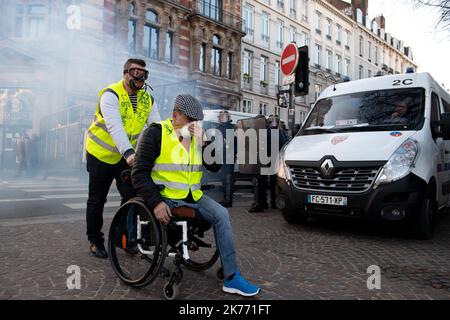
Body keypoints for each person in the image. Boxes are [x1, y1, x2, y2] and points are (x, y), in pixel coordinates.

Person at [131, 94, 261, 297]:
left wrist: (206, 143)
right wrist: (156, 203)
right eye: (190, 120)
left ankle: (232, 277)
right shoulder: (156, 133)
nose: (194, 125)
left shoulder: (198, 137)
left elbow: (216, 166)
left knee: (222, 214)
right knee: (207, 214)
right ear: (175, 116)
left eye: (197, 121)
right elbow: (138, 173)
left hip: (194, 196)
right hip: (166, 196)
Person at [85, 58, 160, 259]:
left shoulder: (148, 99)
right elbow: (114, 126)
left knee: (132, 196)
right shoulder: (110, 95)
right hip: (100, 154)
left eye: (144, 73)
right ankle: (95, 240)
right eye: (136, 72)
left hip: (126, 156)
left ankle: (122, 237)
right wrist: (129, 153)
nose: (140, 77)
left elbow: (156, 128)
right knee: (97, 199)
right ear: (126, 73)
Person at [249, 114, 288, 212]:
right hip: (266, 159)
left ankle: (271, 202)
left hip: (273, 159)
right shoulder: (269, 132)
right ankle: (266, 203)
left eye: (274, 120)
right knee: (265, 182)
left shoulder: (278, 132)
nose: (273, 122)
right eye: (271, 120)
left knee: (271, 182)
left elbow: (283, 144)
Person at [217, 110, 236, 208]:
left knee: (228, 178)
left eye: (225, 116)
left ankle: (228, 200)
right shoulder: (218, 128)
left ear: (228, 117)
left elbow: (236, 142)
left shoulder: (232, 127)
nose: (224, 118)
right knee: (223, 178)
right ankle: (225, 199)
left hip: (229, 156)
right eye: (222, 116)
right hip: (221, 157)